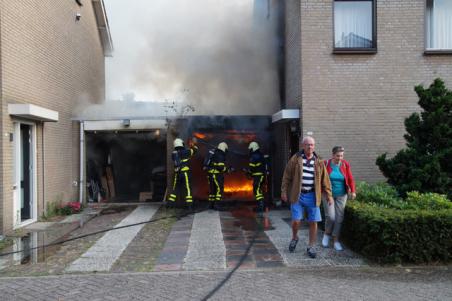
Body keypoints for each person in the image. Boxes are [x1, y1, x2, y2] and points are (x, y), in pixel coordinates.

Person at [281, 136, 333, 258]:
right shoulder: (295, 159)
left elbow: (325, 179)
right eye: (307, 145)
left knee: (313, 221)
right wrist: (283, 191)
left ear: (314, 146)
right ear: (303, 146)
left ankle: (311, 246)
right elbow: (286, 176)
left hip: (313, 195)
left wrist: (329, 195)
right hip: (297, 195)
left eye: (312, 145)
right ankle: (294, 237)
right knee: (296, 221)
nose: (310, 147)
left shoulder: (319, 161)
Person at [321, 146, 356, 251]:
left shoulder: (345, 165)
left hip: (342, 195)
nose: (340, 158)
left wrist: (353, 191)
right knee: (331, 217)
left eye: (341, 156)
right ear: (333, 155)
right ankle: (327, 234)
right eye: (337, 156)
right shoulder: (326, 164)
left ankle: (336, 240)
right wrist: (328, 194)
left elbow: (350, 179)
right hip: (328, 195)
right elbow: (321, 180)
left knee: (339, 218)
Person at [167, 137, 198, 209]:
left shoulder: (173, 153)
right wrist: (194, 143)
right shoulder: (186, 152)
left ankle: (170, 204)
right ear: (181, 144)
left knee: (176, 188)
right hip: (185, 173)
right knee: (187, 187)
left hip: (177, 174)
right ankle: (189, 205)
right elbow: (195, 150)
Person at [205, 142, 229, 210]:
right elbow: (220, 167)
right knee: (219, 189)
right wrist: (227, 169)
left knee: (213, 189)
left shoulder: (214, 152)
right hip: (216, 174)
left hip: (210, 174)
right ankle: (217, 204)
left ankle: (211, 204)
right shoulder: (220, 155)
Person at [247, 141, 268, 216]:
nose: (250, 150)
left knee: (257, 190)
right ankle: (261, 205)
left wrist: (248, 171)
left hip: (258, 176)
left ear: (253, 148)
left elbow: (252, 167)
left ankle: (261, 206)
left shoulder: (254, 156)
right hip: (260, 175)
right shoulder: (260, 155)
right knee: (259, 190)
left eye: (251, 149)